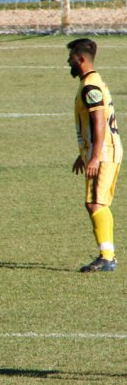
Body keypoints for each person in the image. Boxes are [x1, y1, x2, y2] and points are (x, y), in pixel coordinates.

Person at [67, 38, 123, 272]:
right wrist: (85, 153)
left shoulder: (90, 85)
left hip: (104, 152)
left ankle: (107, 256)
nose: (67, 61)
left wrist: (94, 156)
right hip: (104, 151)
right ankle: (107, 255)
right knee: (96, 203)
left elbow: (99, 121)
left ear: (80, 59)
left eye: (70, 57)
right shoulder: (92, 81)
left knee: (95, 203)